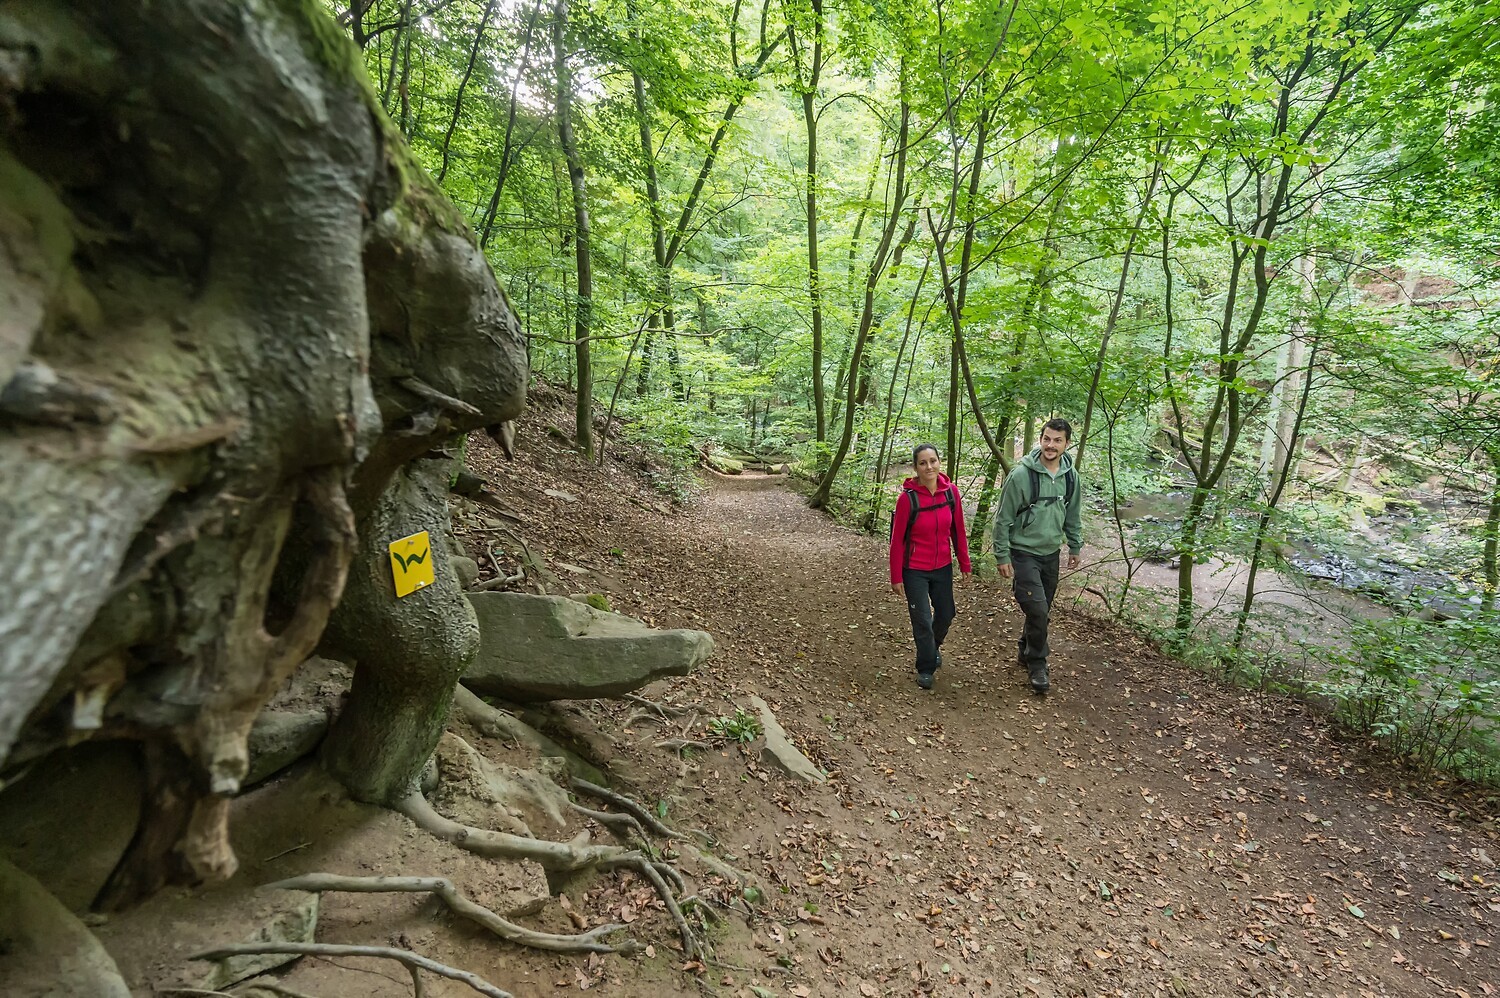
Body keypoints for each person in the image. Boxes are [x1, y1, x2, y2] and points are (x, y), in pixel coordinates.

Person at [991, 418, 1084, 695]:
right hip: (1023, 553)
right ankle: (1038, 663)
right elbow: (1002, 519)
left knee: (1040, 610)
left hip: (1051, 553)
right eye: (1046, 438)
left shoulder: (1070, 477)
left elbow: (1073, 513)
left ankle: (1025, 648)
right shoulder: (1021, 475)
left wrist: (1075, 545)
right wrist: (1002, 555)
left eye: (1057, 440)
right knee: (1038, 609)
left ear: (1067, 444)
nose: (1050, 445)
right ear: (1040, 440)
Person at [889, 443, 972, 690]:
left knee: (946, 613)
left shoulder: (951, 493)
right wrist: (896, 576)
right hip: (914, 569)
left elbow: (958, 531)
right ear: (915, 467)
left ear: (939, 462)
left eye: (933, 461)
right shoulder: (907, 500)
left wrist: (965, 564)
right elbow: (897, 542)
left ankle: (932, 648)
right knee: (922, 619)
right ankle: (926, 667)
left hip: (943, 566)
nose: (929, 467)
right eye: (923, 463)